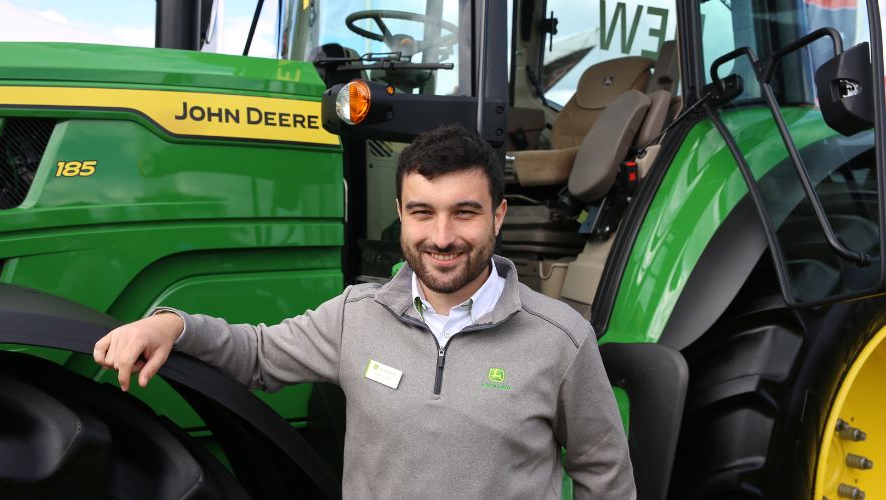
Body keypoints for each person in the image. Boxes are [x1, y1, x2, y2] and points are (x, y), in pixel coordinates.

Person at [94, 123, 636, 499]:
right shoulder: (356, 315)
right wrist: (172, 324)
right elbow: (257, 353)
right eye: (423, 212)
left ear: (498, 216)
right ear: (400, 214)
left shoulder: (560, 338)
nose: (442, 237)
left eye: (464, 213)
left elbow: (601, 470)